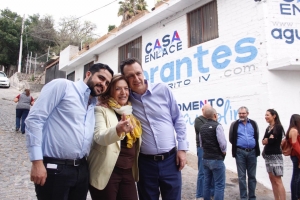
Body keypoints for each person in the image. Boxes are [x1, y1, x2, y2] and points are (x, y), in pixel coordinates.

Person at [25, 63, 114, 200]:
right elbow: (34, 120)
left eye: (107, 83)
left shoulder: (94, 104)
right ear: (88, 74)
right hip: (55, 168)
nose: (103, 84)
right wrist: (37, 162)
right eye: (101, 78)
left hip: (81, 169)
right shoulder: (63, 86)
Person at [120, 58, 189, 200]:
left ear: (143, 73)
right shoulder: (126, 100)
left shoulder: (162, 89)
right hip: (145, 164)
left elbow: (178, 119)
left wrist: (182, 149)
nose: (136, 78)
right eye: (130, 76)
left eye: (138, 73)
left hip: (171, 160)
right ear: (125, 80)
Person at [88, 75, 142, 200]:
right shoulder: (101, 110)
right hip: (107, 171)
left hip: (128, 171)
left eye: (126, 88)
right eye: (118, 89)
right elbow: (99, 137)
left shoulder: (130, 112)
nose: (123, 92)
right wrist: (117, 130)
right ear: (110, 90)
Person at [229, 106, 260, 200]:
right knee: (241, 177)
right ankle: (243, 197)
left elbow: (256, 136)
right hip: (240, 152)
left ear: (247, 113)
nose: (242, 115)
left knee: (252, 176)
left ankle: (252, 197)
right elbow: (231, 138)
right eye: (240, 113)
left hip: (252, 152)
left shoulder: (253, 123)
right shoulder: (234, 124)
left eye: (243, 113)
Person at [200, 107, 227, 200]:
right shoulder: (217, 126)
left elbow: (201, 144)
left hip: (206, 158)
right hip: (216, 158)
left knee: (207, 183)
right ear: (215, 115)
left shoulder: (202, 128)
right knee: (219, 184)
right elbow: (222, 143)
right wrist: (224, 152)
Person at [262, 109, 286, 200]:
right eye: (265, 115)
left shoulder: (278, 127)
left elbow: (272, 140)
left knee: (277, 180)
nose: (266, 117)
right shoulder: (268, 128)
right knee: (272, 179)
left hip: (275, 156)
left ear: (274, 116)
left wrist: (269, 140)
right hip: (268, 156)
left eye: (268, 115)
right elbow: (263, 141)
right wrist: (268, 139)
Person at [194, 104, 214, 200]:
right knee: (202, 172)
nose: (210, 111)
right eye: (208, 109)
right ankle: (199, 195)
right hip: (202, 148)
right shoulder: (199, 120)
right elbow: (204, 131)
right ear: (203, 110)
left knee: (212, 171)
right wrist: (213, 125)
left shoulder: (212, 120)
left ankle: (211, 193)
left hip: (212, 149)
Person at [285, 114, 300, 200]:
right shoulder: (294, 130)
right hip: (296, 156)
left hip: (297, 155)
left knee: (297, 177)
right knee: (296, 177)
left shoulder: (294, 130)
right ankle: (295, 197)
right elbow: (295, 145)